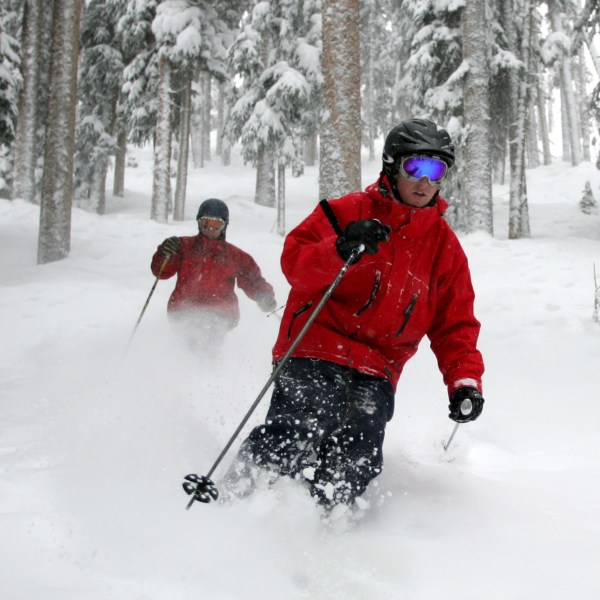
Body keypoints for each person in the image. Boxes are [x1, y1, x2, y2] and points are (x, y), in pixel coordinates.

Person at [224, 118, 485, 510]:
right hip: (315, 347)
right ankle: (239, 501)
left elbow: (455, 323)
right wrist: (340, 248)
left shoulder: (444, 248)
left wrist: (464, 380)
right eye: (416, 167)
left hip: (378, 368)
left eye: (437, 170)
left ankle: (326, 525)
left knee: (358, 450)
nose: (425, 181)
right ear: (392, 167)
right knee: (298, 426)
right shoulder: (345, 211)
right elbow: (294, 262)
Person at [151, 198, 277, 353]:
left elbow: (253, 280)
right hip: (183, 310)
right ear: (198, 223)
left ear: (224, 226)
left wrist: (263, 295)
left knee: (207, 342)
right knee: (185, 347)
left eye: (216, 225)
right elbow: (161, 272)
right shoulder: (184, 247)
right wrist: (164, 253)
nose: (210, 229)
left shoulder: (234, 255)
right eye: (205, 223)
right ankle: (186, 370)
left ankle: (207, 371)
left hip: (219, 313)